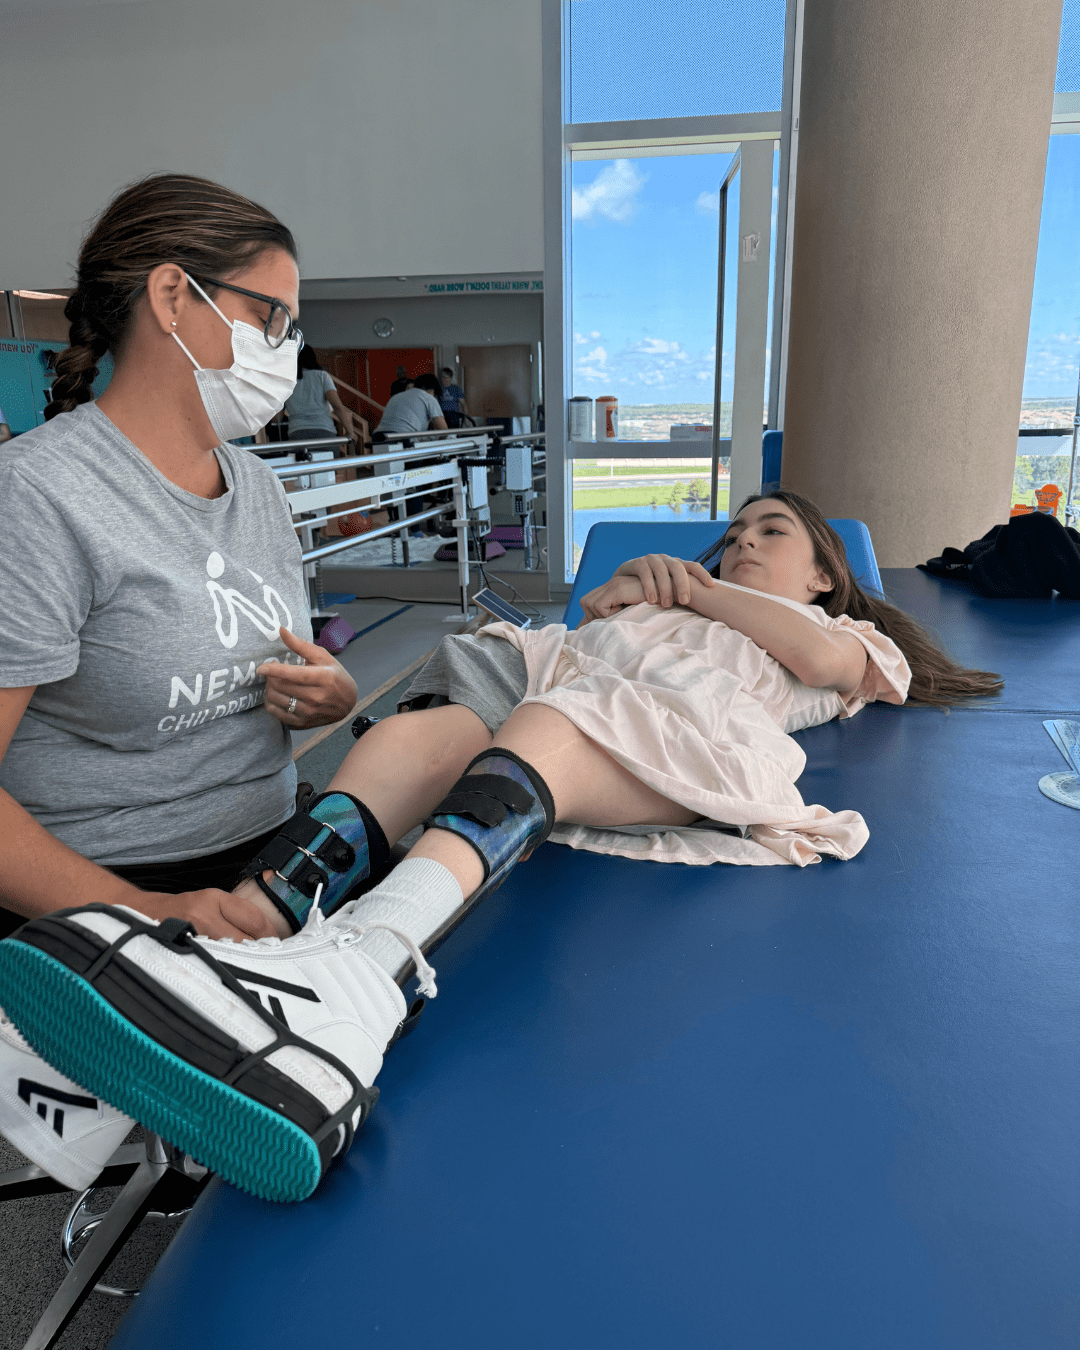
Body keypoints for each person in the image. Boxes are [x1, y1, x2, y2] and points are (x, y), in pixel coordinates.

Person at [0, 489, 1004, 1199]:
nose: (741, 540)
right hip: (556, 712)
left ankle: (356, 978)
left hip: (684, 755)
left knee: (554, 725)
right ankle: (245, 929)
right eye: (733, 530)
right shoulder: (658, 601)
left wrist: (694, 593)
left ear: (825, 571)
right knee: (419, 734)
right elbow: (567, 650)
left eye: (770, 530)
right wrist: (622, 598)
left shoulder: (834, 635)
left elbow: (825, 656)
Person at [0, 173, 360, 950]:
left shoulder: (256, 483)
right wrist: (136, 911)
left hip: (269, 865)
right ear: (172, 297)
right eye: (270, 318)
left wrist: (325, 697)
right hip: (112, 895)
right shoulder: (37, 497)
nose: (286, 350)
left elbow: (263, 661)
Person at [283, 345, 366, 447]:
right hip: (323, 432)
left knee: (302, 463)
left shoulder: (287, 381)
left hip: (296, 433)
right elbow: (337, 406)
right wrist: (350, 432)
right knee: (329, 461)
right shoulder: (322, 376)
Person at [377, 371, 448, 435]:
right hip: (402, 436)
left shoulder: (396, 396)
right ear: (432, 389)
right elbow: (443, 430)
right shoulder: (428, 397)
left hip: (378, 437)